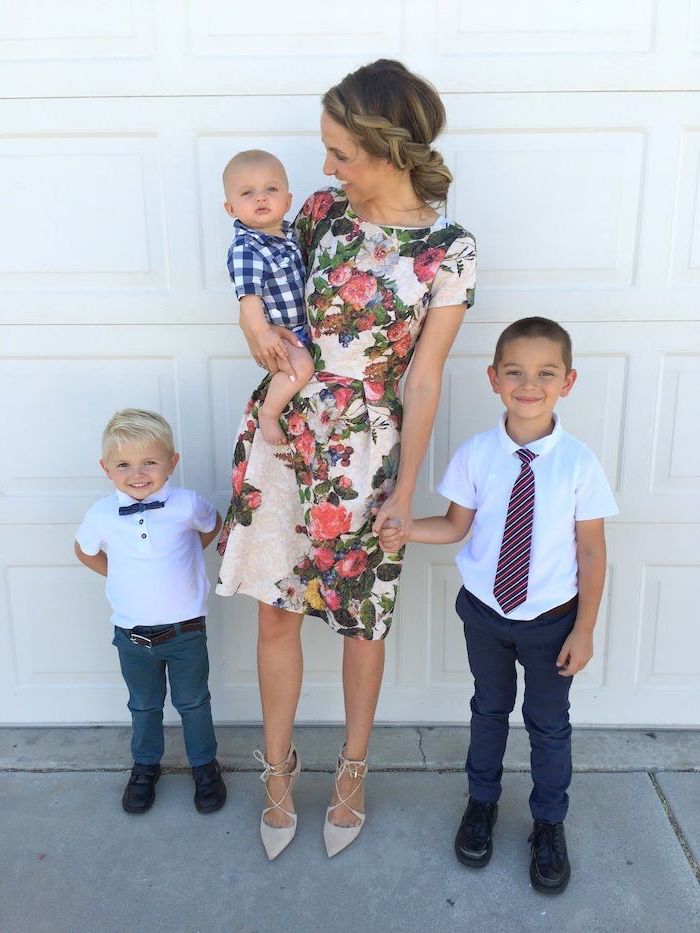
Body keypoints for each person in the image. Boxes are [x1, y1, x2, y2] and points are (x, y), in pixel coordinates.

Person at [216, 58, 476, 860]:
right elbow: (260, 282)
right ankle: (280, 770)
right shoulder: (322, 212)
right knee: (275, 608)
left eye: (339, 152)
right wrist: (251, 327)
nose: (322, 169)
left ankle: (354, 769)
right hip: (287, 433)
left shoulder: (446, 249)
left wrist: (405, 487)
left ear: (388, 147)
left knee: (362, 621)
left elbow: (425, 378)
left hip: (368, 453)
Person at [380, 317, 618, 894]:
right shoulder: (477, 454)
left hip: (551, 622)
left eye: (545, 373)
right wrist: (404, 530)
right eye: (515, 372)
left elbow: (591, 552)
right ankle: (481, 803)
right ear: (493, 379)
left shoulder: (579, 463)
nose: (528, 384)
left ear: (568, 380)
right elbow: (457, 526)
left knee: (548, 723)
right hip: (485, 614)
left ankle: (548, 823)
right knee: (488, 710)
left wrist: (583, 631)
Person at [74, 409, 226, 815]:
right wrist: (117, 573)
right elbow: (83, 551)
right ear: (107, 469)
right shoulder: (102, 514)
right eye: (123, 464)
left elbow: (213, 526)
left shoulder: (186, 504)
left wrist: (188, 560)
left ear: (171, 462)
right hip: (132, 635)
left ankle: (204, 766)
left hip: (186, 630)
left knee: (194, 702)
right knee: (143, 704)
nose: (137, 474)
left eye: (149, 462)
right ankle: (145, 767)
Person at [223, 149, 315, 445]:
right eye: (247, 193)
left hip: (303, 328)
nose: (261, 198)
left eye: (270, 189)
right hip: (281, 334)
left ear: (287, 201)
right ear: (231, 208)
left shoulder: (287, 237)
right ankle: (269, 414)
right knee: (301, 367)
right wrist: (262, 334)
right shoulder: (247, 248)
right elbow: (249, 298)